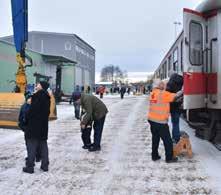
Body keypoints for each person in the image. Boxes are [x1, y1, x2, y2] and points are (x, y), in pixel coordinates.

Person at [148, 79, 182, 163]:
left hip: (152, 120)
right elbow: (175, 96)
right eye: (162, 84)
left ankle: (154, 156)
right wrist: (183, 90)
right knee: (168, 141)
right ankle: (169, 158)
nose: (164, 85)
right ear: (159, 85)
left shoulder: (153, 93)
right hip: (160, 121)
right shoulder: (163, 94)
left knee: (155, 138)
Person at [23, 81, 51, 174]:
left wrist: (26, 117)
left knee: (31, 145)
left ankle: (30, 167)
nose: (36, 85)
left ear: (42, 87)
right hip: (43, 126)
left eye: (38, 84)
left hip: (34, 126)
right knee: (43, 145)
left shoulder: (37, 96)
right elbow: (47, 112)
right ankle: (45, 165)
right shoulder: (47, 97)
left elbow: (32, 111)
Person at [18, 92, 41, 164]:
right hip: (27, 128)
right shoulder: (23, 107)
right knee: (28, 143)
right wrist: (22, 127)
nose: (30, 100)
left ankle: (37, 156)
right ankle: (30, 156)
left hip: (35, 128)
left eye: (31, 98)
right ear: (26, 99)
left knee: (36, 143)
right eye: (29, 98)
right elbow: (20, 118)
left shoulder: (36, 106)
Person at [166, 72, 183, 143]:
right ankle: (176, 136)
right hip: (179, 105)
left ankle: (175, 138)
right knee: (176, 122)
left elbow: (167, 96)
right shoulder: (182, 82)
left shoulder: (170, 84)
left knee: (174, 122)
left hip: (173, 106)